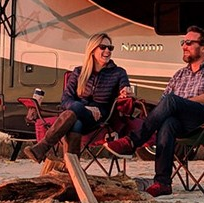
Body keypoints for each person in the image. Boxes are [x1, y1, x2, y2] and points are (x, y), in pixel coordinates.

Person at [104, 25, 204, 197]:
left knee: (172, 101)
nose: (183, 46)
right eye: (182, 42)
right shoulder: (180, 74)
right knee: (168, 123)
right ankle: (163, 183)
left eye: (188, 42)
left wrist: (179, 103)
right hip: (182, 122)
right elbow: (163, 103)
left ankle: (133, 142)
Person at [22, 33, 132, 163]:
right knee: (76, 120)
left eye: (110, 48)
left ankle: (42, 147)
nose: (107, 51)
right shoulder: (79, 72)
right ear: (92, 49)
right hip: (77, 115)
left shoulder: (118, 73)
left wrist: (126, 91)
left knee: (73, 110)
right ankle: (72, 167)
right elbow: (65, 100)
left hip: (98, 117)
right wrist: (84, 108)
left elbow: (125, 88)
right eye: (103, 47)